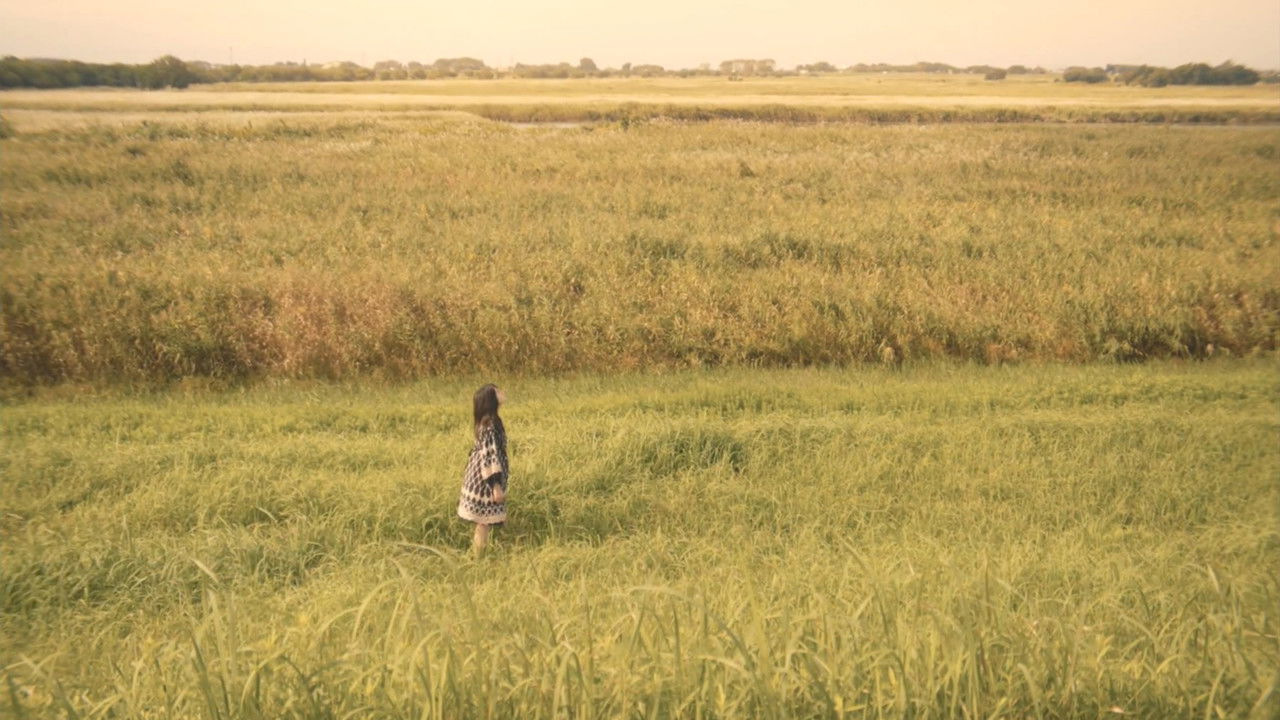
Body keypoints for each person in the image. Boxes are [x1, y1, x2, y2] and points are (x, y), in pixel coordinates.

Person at [457, 384, 509, 553]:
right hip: (484, 481)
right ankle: (478, 556)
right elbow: (490, 456)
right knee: (483, 522)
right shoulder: (490, 425)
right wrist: (495, 486)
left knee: (486, 521)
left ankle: (482, 554)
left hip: (481, 477)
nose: (502, 392)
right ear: (491, 399)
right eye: (497, 391)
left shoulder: (490, 421)